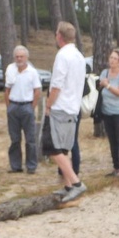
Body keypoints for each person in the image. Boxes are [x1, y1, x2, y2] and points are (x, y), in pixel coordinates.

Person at [45, 22, 87, 202]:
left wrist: (48, 104)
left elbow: (57, 85)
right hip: (73, 107)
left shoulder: (62, 56)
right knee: (63, 147)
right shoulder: (79, 56)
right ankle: (68, 185)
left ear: (59, 36)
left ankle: (77, 183)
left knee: (51, 147)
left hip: (60, 107)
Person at [4, 45, 42, 174]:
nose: (19, 59)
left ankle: (31, 166)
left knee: (30, 139)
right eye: (17, 56)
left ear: (26, 57)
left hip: (27, 106)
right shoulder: (10, 69)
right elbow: (7, 89)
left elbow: (37, 91)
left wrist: (32, 107)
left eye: (21, 56)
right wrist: (8, 106)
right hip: (13, 105)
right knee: (14, 139)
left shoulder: (32, 72)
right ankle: (16, 166)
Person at [99, 49, 119, 178]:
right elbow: (99, 85)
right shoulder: (104, 73)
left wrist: (107, 86)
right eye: (110, 58)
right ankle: (116, 166)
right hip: (107, 111)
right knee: (112, 140)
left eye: (115, 59)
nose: (111, 61)